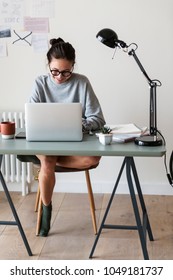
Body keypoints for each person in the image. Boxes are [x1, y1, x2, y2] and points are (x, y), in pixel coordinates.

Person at [29, 37, 105, 237]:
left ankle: (48, 166)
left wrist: (78, 124)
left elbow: (97, 118)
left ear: (73, 66)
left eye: (66, 71)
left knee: (92, 159)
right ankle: (47, 210)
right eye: (54, 71)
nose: (60, 77)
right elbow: (32, 117)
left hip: (73, 141)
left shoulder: (82, 82)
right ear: (48, 65)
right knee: (48, 160)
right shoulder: (40, 83)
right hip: (45, 140)